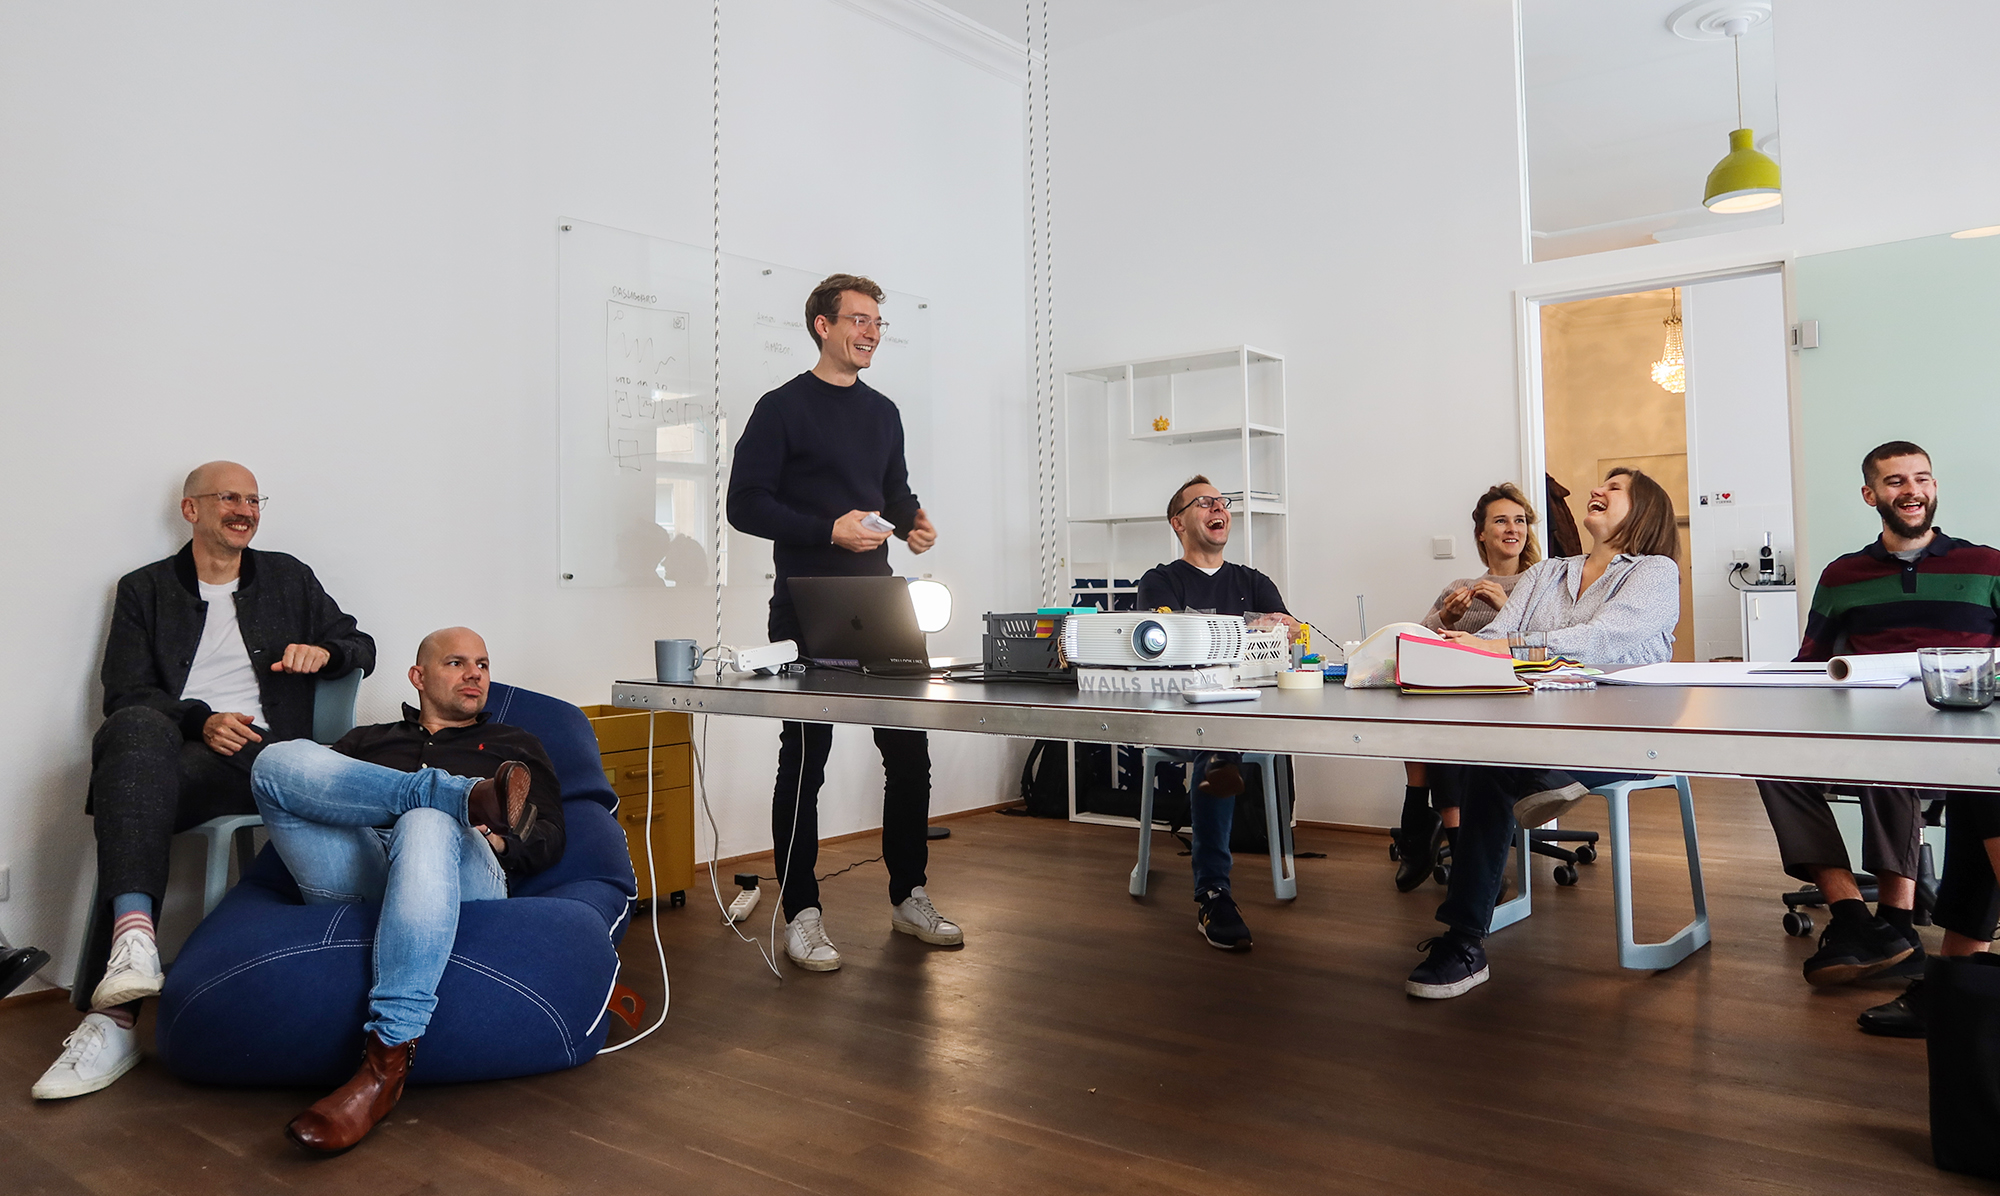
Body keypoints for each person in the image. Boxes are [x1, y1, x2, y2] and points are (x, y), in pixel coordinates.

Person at [34, 462, 374, 1101]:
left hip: (270, 757)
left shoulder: (289, 577)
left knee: (130, 773)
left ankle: (113, 1013)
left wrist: (326, 653)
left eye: (253, 498)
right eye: (228, 498)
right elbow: (125, 693)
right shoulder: (144, 590)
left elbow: (361, 644)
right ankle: (133, 947)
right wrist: (199, 719)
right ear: (191, 510)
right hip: (183, 757)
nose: (244, 509)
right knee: (134, 735)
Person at [247, 626, 563, 1152]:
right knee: (274, 761)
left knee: (426, 821)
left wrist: (501, 844)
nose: (475, 675)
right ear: (418, 676)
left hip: (462, 876)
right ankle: (459, 796)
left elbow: (549, 834)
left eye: (482, 665)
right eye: (457, 663)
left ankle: (386, 1057)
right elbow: (307, 795)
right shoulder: (367, 741)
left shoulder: (515, 746)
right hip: (365, 870)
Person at [725, 273, 959, 973]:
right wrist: (827, 530)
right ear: (822, 325)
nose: (872, 332)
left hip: (881, 603)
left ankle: (909, 893)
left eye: (878, 323)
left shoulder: (884, 412)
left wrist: (913, 524)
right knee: (806, 761)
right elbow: (745, 505)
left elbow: (894, 492)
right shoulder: (781, 409)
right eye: (859, 320)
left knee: (909, 752)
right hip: (806, 603)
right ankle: (801, 912)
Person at [1406, 468, 1682, 999]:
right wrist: (1448, 643)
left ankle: (1546, 777)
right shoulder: (1546, 573)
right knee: (1491, 764)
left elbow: (1602, 640)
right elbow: (1493, 635)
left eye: (1615, 487)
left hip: (1629, 733)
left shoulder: (1654, 571)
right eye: (1601, 483)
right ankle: (1463, 943)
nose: (1597, 490)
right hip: (1545, 727)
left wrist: (1507, 648)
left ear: (1644, 510)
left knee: (1503, 766)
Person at [1749, 441, 2000, 1008]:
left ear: (1933, 489)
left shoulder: (1987, 565)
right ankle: (1851, 915)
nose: (1911, 490)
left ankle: (1896, 921)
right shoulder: (1844, 574)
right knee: (1771, 759)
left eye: (1922, 479)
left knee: (1889, 748)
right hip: (1873, 726)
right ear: (1871, 495)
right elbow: (1810, 664)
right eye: (1894, 482)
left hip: (1967, 737)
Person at [1135, 475, 1298, 951]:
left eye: (1221, 501)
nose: (1218, 507)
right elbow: (1166, 644)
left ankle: (1218, 887)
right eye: (1203, 502)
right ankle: (1212, 893)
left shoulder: (1254, 581)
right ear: (1178, 522)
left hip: (1248, 715)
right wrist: (1245, 635)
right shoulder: (1159, 582)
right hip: (1179, 717)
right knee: (1217, 742)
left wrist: (1284, 628)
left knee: (1225, 739)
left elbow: (1286, 639)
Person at [1394, 483, 1543, 891]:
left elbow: (1552, 648)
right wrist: (1445, 615)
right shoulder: (1459, 585)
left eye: (1519, 520)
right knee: (1421, 705)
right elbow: (1414, 644)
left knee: (1448, 723)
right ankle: (1459, 859)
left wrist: (1506, 611)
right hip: (1459, 700)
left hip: (1517, 703)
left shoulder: (1542, 584)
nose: (1512, 528)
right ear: (1481, 532)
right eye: (1501, 521)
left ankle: (1419, 830)